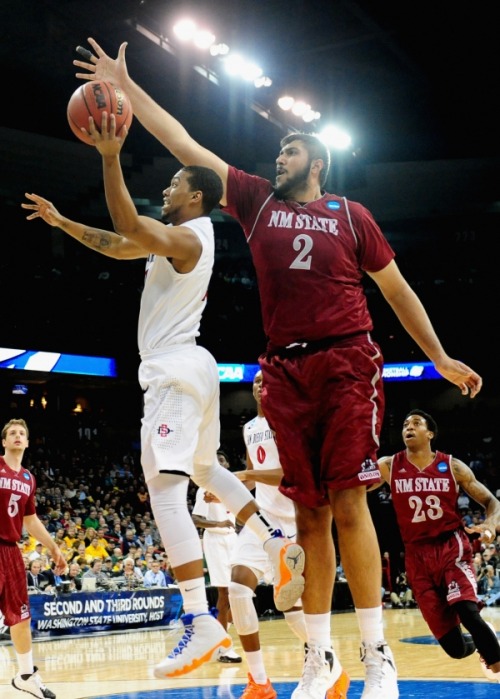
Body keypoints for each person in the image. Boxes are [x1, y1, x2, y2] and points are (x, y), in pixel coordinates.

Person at [71, 38, 483, 699]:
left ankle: (378, 656)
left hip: (347, 358)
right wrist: (128, 85)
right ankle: (319, 655)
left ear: (316, 162)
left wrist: (436, 353)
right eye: (279, 151)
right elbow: (184, 143)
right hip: (285, 372)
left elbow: (398, 290)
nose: (278, 157)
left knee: (349, 502)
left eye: (290, 150)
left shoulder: (351, 214)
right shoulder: (256, 198)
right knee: (312, 517)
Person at [22, 117, 304, 680]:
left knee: (164, 490)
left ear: (195, 196)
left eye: (174, 183)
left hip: (173, 373)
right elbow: (117, 242)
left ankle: (199, 618)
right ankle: (274, 543)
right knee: (204, 468)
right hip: (192, 367)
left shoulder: (187, 235)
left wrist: (110, 155)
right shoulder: (173, 244)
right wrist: (61, 221)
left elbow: (127, 219)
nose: (166, 189)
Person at [375, 409, 500, 681]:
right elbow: (353, 487)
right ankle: (485, 637)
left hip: (450, 546)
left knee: (467, 611)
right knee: (454, 648)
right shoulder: (389, 465)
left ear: (430, 433)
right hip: (416, 556)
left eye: (416, 423)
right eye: (405, 424)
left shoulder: (452, 466)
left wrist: (491, 523)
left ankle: (497, 661)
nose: (408, 427)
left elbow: (493, 502)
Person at [229, 369, 319, 699]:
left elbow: (287, 474)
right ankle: (259, 682)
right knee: (238, 586)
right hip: (262, 521)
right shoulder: (250, 428)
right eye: (255, 381)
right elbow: (255, 479)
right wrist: (228, 487)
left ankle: (330, 667)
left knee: (291, 609)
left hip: (295, 521)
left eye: (265, 380)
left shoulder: (288, 423)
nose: (259, 384)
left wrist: (243, 474)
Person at [0, 418, 66, 698]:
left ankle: (26, 676)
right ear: (3, 442)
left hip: (12, 551)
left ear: (27, 443)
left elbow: (30, 519)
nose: (17, 436)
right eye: (12, 433)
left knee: (21, 618)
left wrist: (53, 548)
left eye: (21, 433)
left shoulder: (28, 478)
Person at [192, 450, 242, 664]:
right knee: (225, 592)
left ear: (228, 463)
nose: (219, 463)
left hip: (233, 539)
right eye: (215, 460)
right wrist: (219, 524)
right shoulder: (205, 489)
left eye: (222, 459)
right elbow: (195, 519)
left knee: (241, 590)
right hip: (216, 540)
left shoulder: (232, 488)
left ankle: (218, 634)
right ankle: (223, 647)